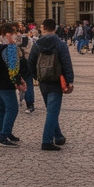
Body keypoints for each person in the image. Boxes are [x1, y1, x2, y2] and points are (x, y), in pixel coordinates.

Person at [28, 19, 73, 151]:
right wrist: (69, 81)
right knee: (52, 112)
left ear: (43, 28)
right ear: (54, 29)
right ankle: (46, 141)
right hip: (56, 81)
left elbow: (31, 62)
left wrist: (37, 76)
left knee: (51, 111)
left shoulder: (37, 44)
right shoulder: (60, 44)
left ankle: (58, 136)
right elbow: (66, 64)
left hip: (43, 82)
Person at [0, 23, 24, 146]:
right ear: (7, 33)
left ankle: (3, 132)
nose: (16, 35)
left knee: (1, 109)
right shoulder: (9, 46)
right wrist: (18, 81)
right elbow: (12, 68)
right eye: (14, 33)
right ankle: (4, 136)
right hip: (5, 82)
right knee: (13, 108)